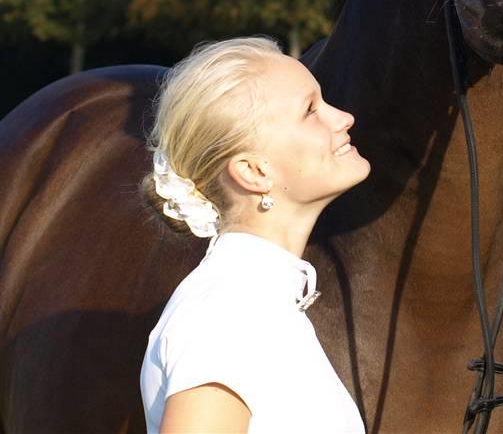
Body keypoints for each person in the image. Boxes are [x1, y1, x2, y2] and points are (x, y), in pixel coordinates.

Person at [138, 35, 370, 433]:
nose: (343, 117)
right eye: (311, 111)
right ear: (254, 172)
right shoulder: (226, 315)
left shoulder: (255, 303)